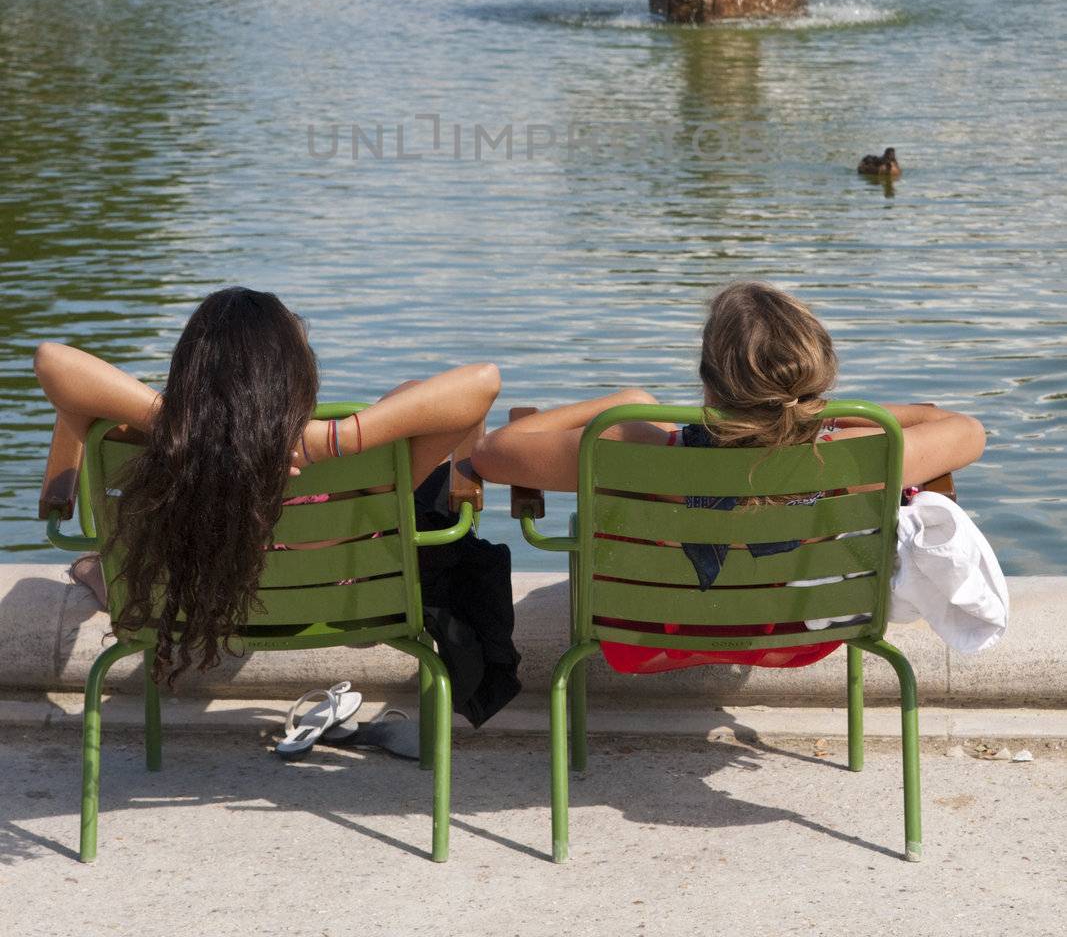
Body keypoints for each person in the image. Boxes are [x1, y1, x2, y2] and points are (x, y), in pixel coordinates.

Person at [471, 282, 986, 673]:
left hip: (644, 634)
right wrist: (833, 415)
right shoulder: (858, 451)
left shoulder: (632, 443)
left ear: (706, 379)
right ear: (817, 379)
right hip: (797, 636)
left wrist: (624, 402)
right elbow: (965, 430)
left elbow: (492, 454)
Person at [33, 287, 500, 683]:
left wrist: (191, 426)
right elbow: (481, 383)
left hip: (190, 607)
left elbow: (53, 361)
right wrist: (328, 439)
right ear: (296, 375)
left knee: (105, 562)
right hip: (343, 612)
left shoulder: (171, 452)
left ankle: (93, 570)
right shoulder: (361, 465)